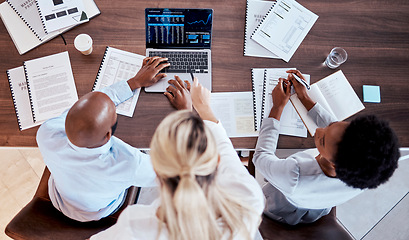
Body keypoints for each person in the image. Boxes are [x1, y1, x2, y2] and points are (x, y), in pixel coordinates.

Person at [91, 76, 265, 240]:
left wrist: (186, 112)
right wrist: (201, 107)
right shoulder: (248, 199)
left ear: (156, 173)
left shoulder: (135, 225)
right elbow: (225, 148)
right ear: (216, 161)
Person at [253, 69, 400, 225]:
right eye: (336, 124)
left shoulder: (295, 174)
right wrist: (304, 97)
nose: (318, 130)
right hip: (318, 204)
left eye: (322, 140)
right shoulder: (365, 174)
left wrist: (277, 107)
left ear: (333, 163)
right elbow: (334, 131)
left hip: (281, 205)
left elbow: (261, 156)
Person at [36, 57, 170, 222]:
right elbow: (170, 172)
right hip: (99, 210)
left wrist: (134, 82)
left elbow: (91, 108)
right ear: (108, 134)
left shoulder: (47, 132)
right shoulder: (128, 162)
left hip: (60, 197)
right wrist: (186, 111)